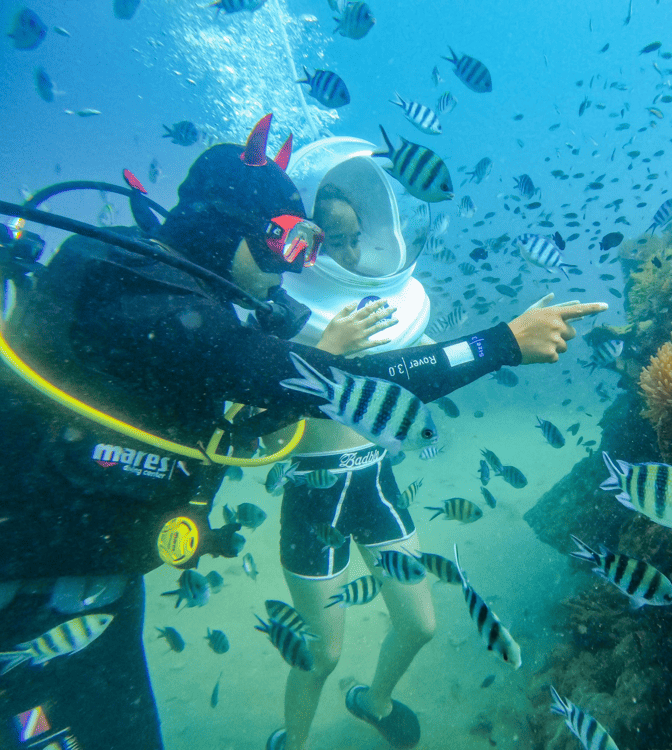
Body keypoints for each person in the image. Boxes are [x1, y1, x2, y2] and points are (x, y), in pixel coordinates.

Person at [0, 114, 606, 750]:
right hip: (30, 597)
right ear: (223, 228)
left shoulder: (167, 286)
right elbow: (348, 391)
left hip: (97, 581)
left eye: (304, 247)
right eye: (285, 244)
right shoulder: (162, 313)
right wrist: (501, 343)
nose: (293, 268)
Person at [266, 146, 442, 750]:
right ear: (302, 240)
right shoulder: (277, 311)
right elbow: (261, 432)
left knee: (420, 625)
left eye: (349, 240)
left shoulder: (387, 306)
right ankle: (292, 741)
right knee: (322, 654)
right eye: (327, 240)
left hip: (376, 480)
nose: (341, 254)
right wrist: (327, 352)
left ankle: (375, 700)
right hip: (313, 496)